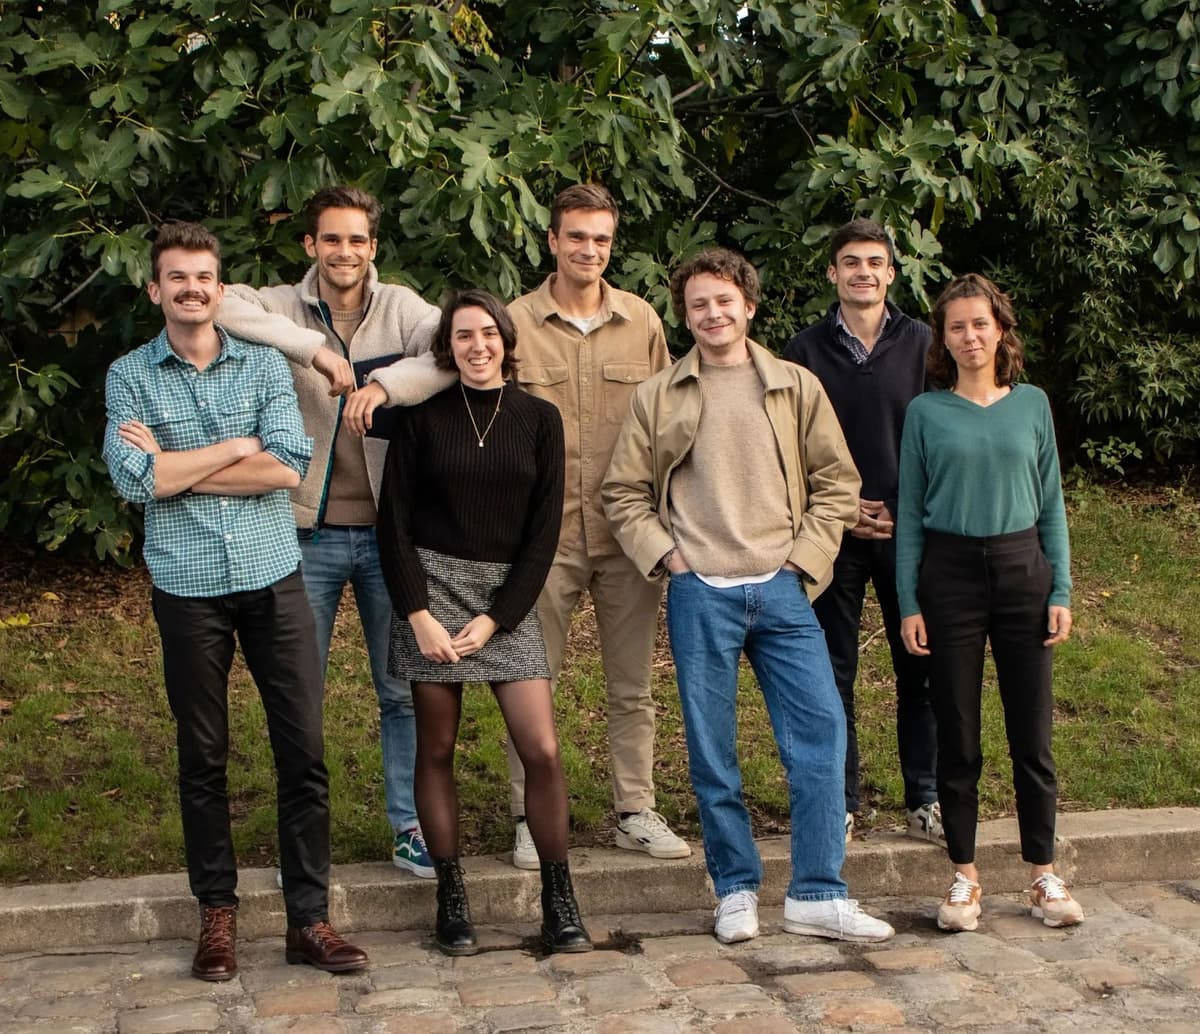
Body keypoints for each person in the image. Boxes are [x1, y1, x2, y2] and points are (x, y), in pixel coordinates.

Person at [602, 248, 894, 946]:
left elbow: (837, 483)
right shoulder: (658, 395)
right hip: (700, 591)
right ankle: (734, 890)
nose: (713, 314)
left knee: (820, 737)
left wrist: (802, 562)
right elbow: (622, 492)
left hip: (783, 589)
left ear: (749, 307)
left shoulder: (795, 386)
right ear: (685, 315)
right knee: (713, 752)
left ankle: (818, 893)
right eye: (698, 304)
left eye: (724, 301)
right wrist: (670, 559)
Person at [103, 222, 367, 981]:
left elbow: (286, 467)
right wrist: (233, 448)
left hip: (273, 578)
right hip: (186, 589)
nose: (191, 290)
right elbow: (135, 480)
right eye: (177, 278)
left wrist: (177, 464)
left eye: (203, 278)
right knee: (203, 757)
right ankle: (216, 915)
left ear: (220, 290)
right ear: (155, 290)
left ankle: (309, 920)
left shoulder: (263, 365)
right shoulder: (129, 375)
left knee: (303, 751)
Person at [216, 185, 448, 878]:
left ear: (373, 247)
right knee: (298, 694)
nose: (344, 251)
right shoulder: (280, 305)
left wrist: (385, 387)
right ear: (310, 245)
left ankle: (408, 825)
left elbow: (452, 347)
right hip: (303, 534)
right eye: (331, 239)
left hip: (388, 538)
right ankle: (303, 839)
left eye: (356, 240)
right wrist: (315, 352)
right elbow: (222, 303)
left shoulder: (402, 307)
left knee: (400, 690)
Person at [376, 289, 591, 956]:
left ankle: (559, 901)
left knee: (541, 748)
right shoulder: (421, 421)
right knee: (436, 747)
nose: (477, 346)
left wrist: (497, 618)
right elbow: (393, 525)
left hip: (506, 599)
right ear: (447, 347)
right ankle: (451, 898)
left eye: (488, 334)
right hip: (431, 592)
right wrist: (418, 614)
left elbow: (544, 533)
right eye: (464, 335)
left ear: (506, 341)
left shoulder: (539, 419)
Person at [504, 183, 690, 868]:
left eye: (601, 239)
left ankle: (634, 811)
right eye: (577, 236)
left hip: (627, 535)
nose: (589, 249)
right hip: (541, 539)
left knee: (632, 686)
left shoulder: (641, 321)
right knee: (531, 683)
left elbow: (670, 422)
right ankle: (531, 817)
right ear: (552, 240)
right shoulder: (514, 323)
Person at [897, 273, 1083, 932]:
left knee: (1032, 733)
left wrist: (1060, 588)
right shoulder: (926, 413)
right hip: (948, 576)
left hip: (1021, 568)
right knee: (958, 733)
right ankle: (964, 876)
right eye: (957, 326)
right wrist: (909, 601)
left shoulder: (1032, 405)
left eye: (980, 323)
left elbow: (1051, 502)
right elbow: (910, 514)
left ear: (1000, 329)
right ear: (943, 339)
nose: (970, 335)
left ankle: (1043, 874)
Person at [784, 218, 942, 847]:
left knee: (920, 668)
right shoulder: (804, 350)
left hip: (909, 530)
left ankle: (925, 798)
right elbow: (789, 445)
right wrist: (841, 506)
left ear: (891, 273)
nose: (863, 272)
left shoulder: (925, 344)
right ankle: (841, 802)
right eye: (851, 262)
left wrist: (906, 507)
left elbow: (942, 437)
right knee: (833, 673)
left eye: (875, 262)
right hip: (833, 531)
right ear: (833, 273)